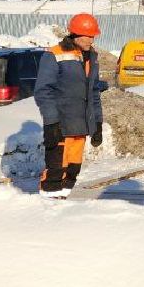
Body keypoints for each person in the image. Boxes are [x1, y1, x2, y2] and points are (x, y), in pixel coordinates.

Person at [35, 12, 105, 198]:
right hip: (61, 123)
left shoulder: (92, 57)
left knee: (73, 168)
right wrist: (51, 122)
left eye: (93, 36)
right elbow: (43, 91)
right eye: (88, 36)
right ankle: (47, 203)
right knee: (57, 167)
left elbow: (94, 93)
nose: (91, 40)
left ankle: (64, 203)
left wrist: (97, 123)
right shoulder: (54, 55)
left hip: (81, 125)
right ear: (76, 35)